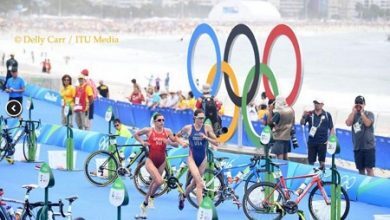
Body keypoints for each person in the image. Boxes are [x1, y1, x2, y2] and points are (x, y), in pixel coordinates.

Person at [134, 113, 187, 219]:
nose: (162, 122)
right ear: (154, 122)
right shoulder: (149, 130)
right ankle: (151, 198)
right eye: (159, 120)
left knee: (154, 183)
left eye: (163, 120)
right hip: (150, 161)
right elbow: (136, 134)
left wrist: (169, 142)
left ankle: (144, 205)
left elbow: (175, 143)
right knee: (159, 181)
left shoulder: (167, 131)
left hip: (162, 161)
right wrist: (142, 142)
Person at [176, 109, 219, 210]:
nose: (202, 120)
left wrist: (206, 138)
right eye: (200, 118)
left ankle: (182, 196)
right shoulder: (188, 128)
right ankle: (201, 209)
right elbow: (176, 136)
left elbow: (216, 142)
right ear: (194, 118)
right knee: (199, 183)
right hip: (192, 158)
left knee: (194, 184)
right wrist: (182, 142)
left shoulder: (207, 128)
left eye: (203, 118)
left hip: (203, 159)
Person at [345, 95, 375, 176]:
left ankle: (370, 186)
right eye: (357, 103)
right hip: (357, 147)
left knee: (369, 168)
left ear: (364, 104)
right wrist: (353, 112)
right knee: (361, 169)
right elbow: (348, 123)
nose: (358, 105)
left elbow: (368, 123)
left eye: (360, 103)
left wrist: (361, 112)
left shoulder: (369, 114)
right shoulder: (353, 115)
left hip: (368, 147)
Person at [300, 98, 334, 169]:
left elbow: (331, 128)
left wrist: (330, 139)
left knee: (322, 162)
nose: (316, 105)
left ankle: (321, 177)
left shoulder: (327, 115)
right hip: (312, 142)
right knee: (310, 162)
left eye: (318, 103)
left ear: (322, 104)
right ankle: (310, 177)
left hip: (323, 142)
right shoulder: (310, 114)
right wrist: (303, 116)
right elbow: (302, 123)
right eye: (315, 103)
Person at [269, 96, 295, 160]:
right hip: (287, 137)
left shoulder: (279, 112)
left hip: (279, 136)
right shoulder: (291, 110)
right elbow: (293, 122)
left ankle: (280, 169)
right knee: (285, 155)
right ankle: (286, 169)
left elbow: (270, 123)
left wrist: (270, 110)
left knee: (279, 155)